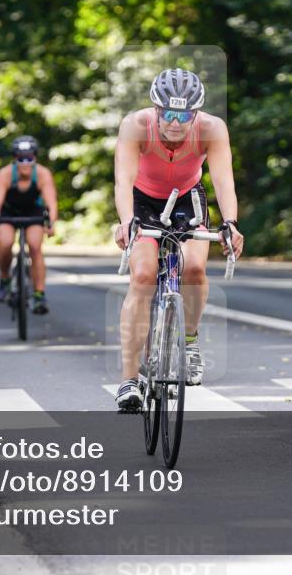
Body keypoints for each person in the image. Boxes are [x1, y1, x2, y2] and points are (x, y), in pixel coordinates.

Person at [113, 68, 245, 412]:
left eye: (184, 115)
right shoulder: (135, 125)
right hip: (142, 200)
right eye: (168, 113)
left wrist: (230, 224)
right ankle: (129, 380)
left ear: (196, 113)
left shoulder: (212, 129)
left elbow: (224, 180)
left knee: (195, 269)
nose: (175, 122)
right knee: (143, 276)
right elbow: (123, 180)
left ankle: (189, 340)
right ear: (156, 109)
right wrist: (126, 222)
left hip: (188, 198)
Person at [0, 136, 58, 315]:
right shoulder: (5, 174)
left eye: (29, 158)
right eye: (21, 159)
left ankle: (39, 294)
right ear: (15, 159)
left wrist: (51, 223)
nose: (25, 163)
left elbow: (51, 203)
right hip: (8, 212)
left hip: (33, 212)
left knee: (35, 246)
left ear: (35, 158)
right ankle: (5, 279)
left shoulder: (42, 174)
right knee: (5, 243)